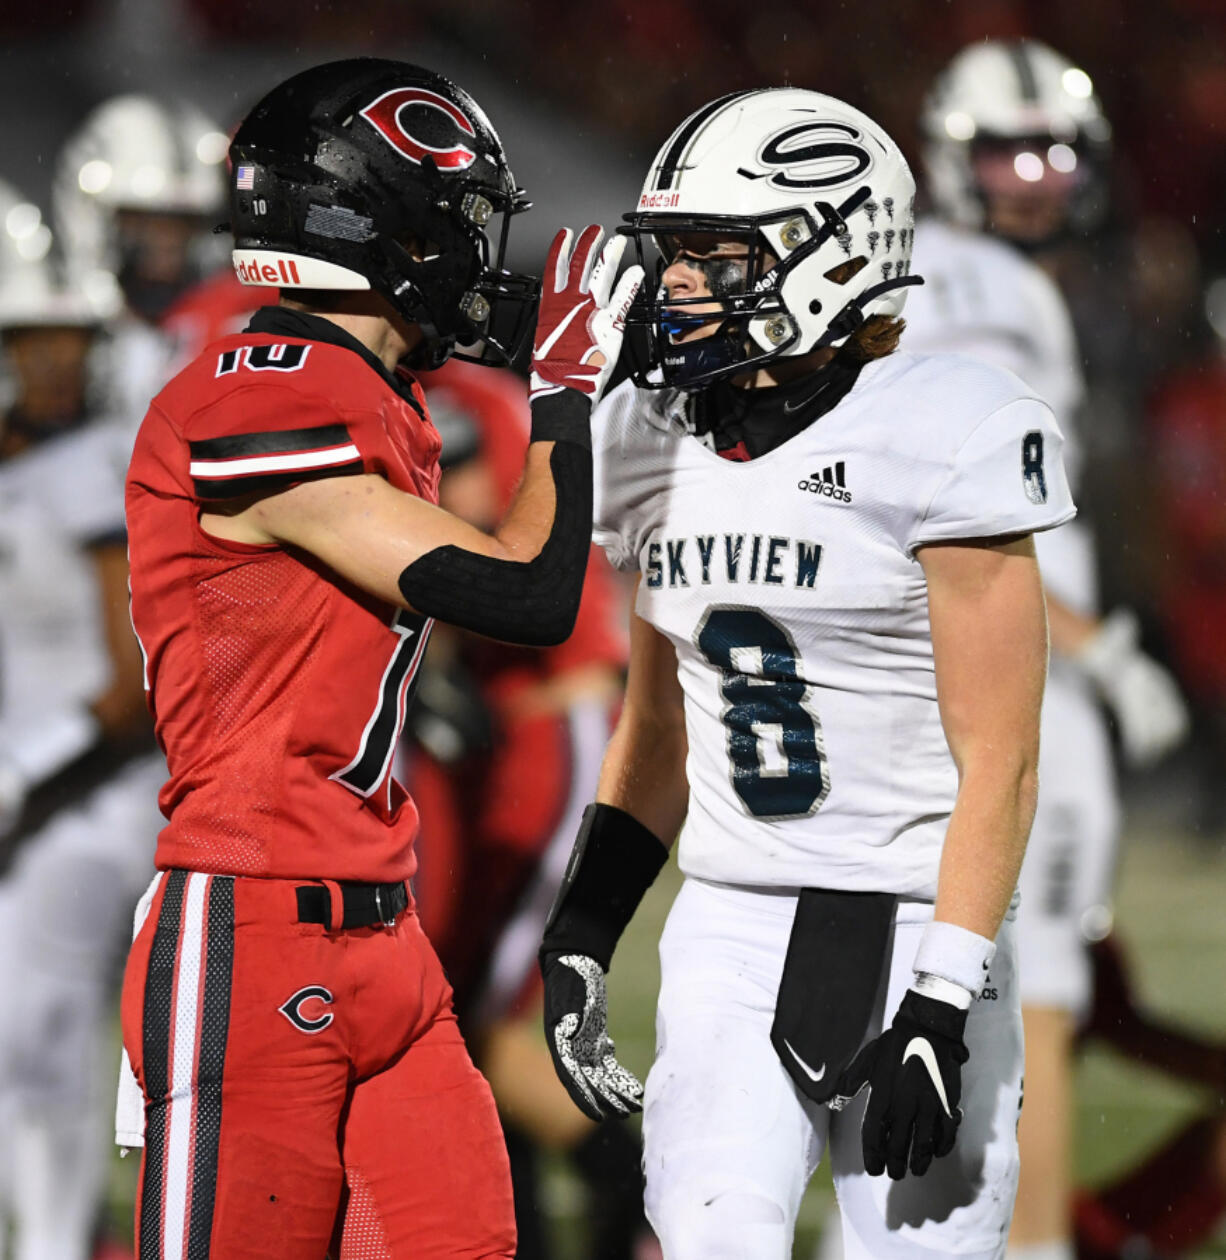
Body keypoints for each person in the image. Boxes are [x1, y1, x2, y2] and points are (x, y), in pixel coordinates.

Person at [116, 56, 642, 1258]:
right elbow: (527, 588)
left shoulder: (367, 390)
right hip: (252, 934)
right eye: (452, 225)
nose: (469, 258)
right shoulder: (260, 390)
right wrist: (561, 391)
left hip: (381, 932)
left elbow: (517, 564)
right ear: (373, 227)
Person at [537, 86, 1073, 1259]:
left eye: (711, 256)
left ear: (829, 255)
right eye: (670, 259)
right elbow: (656, 723)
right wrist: (582, 928)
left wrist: (942, 992)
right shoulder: (645, 435)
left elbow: (1003, 755)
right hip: (732, 921)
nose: (673, 288)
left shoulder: (950, 424)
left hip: (919, 924)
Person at [903, 41, 1190, 1260]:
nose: (1032, 179)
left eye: (1056, 152)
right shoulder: (968, 285)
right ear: (948, 155)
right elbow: (945, 497)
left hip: (952, 665)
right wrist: (1097, 650)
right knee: (1038, 997)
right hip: (1012, 679)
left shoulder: (955, 273)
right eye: (1006, 151)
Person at [400, 361, 657, 1260]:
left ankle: (643, 1198)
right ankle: (537, 1230)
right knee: (464, 1012)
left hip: (552, 720)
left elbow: (475, 522)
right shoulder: (472, 393)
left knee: (479, 1016)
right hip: (521, 722)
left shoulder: (477, 403)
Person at [0, 181, 155, 1260]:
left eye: (70, 340)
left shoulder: (90, 465)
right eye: (31, 340)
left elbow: (136, 673)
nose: (56, 362)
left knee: (30, 1037)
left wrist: (23, 770)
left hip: (94, 797)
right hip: (43, 795)